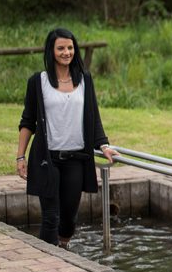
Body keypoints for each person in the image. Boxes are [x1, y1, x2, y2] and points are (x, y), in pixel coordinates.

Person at [17, 28, 118, 247]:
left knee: (69, 221)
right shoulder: (38, 82)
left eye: (70, 47)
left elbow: (94, 116)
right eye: (61, 48)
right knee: (51, 217)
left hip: (76, 160)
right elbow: (27, 122)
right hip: (47, 159)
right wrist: (20, 157)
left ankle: (63, 250)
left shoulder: (84, 80)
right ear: (51, 51)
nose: (66, 52)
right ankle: (49, 262)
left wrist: (104, 145)